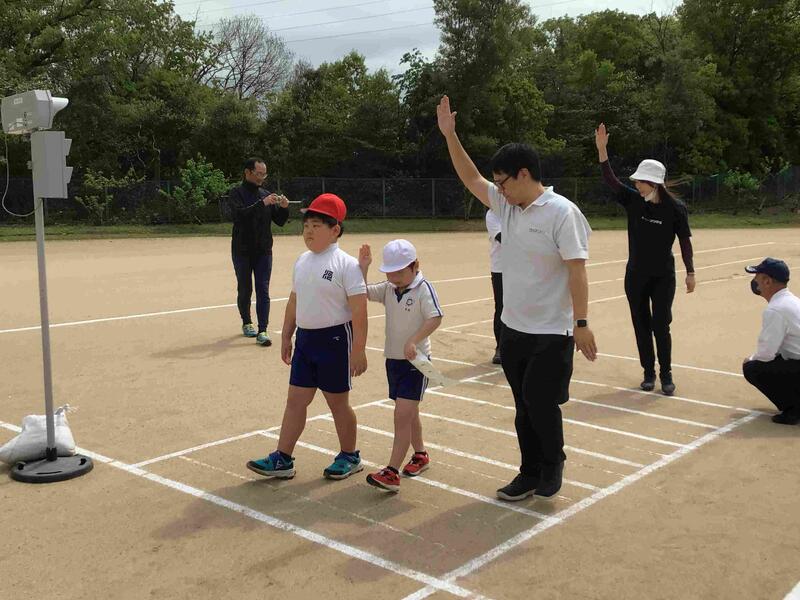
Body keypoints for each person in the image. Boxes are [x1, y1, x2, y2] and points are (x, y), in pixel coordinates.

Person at [437, 95, 597, 502]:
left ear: (524, 174)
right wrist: (450, 136)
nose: (499, 190)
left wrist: (581, 323)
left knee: (541, 403)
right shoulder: (507, 207)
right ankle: (528, 472)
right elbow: (471, 178)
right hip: (514, 329)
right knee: (522, 406)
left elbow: (577, 270)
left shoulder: (562, 212)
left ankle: (552, 464)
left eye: (504, 182)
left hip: (552, 331)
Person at [246, 193, 369, 480]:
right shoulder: (302, 261)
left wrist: (359, 350)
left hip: (335, 341)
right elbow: (294, 300)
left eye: (316, 226)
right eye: (306, 226)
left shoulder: (346, 264)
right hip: (305, 341)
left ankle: (350, 456)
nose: (308, 232)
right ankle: (283, 458)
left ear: (335, 230)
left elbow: (359, 311)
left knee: (337, 403)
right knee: (295, 401)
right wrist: (286, 335)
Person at [594, 123, 695, 395]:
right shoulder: (633, 201)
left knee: (661, 324)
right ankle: (648, 373)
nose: (635, 184)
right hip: (636, 275)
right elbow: (611, 180)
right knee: (641, 324)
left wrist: (690, 272)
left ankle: (666, 374)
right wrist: (602, 151)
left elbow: (685, 241)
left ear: (654, 183)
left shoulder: (675, 209)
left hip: (663, 276)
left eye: (640, 181)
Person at [357, 240, 443, 492]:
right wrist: (364, 267)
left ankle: (392, 472)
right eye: (390, 273)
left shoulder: (423, 288)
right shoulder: (389, 288)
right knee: (409, 412)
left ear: (415, 266)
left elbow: (435, 317)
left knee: (402, 415)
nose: (394, 278)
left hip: (416, 363)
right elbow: (362, 292)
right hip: (393, 360)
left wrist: (414, 340)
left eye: (399, 272)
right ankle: (420, 455)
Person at [229, 158, 290, 346]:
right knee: (245, 288)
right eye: (258, 174)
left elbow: (279, 221)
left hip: (264, 250)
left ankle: (263, 330)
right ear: (248, 172)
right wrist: (262, 204)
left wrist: (284, 208)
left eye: (264, 174)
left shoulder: (266, 194)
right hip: (242, 250)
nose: (262, 177)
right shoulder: (236, 193)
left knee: (263, 289)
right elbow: (239, 216)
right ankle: (247, 322)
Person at [742, 258, 800, 425]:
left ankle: (793, 409)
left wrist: (750, 359)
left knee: (752, 368)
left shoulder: (775, 309)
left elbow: (765, 354)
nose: (754, 281)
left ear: (767, 281)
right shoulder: (792, 300)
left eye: (757, 277)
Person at [486, 208, 503, 364]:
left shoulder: (520, 210)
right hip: (501, 269)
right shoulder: (493, 214)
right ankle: (500, 348)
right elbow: (501, 237)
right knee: (501, 307)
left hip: (523, 267)